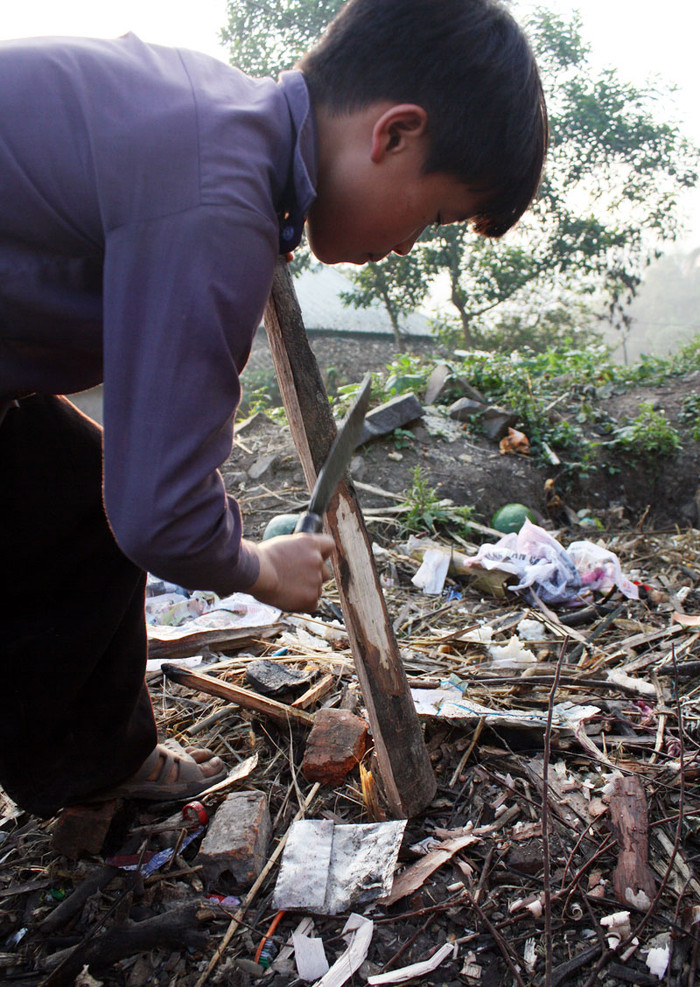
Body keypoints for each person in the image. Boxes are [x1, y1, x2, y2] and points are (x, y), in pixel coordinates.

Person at [0, 0, 547, 817]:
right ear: (394, 134)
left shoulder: (221, 126)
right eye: (433, 216)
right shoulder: (218, 193)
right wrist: (258, 568)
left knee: (71, 488)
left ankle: (90, 765)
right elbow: (159, 514)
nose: (408, 245)